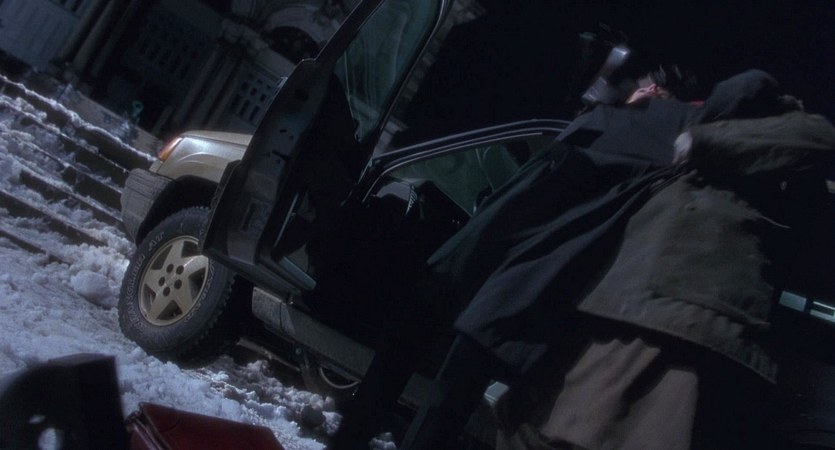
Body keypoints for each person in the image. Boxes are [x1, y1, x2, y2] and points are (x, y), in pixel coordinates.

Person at [399, 68, 835, 450]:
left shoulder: (682, 138)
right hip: (626, 314)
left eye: (645, 90)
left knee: (554, 428)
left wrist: (700, 139)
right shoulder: (749, 173)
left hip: (650, 321)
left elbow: (816, 136)